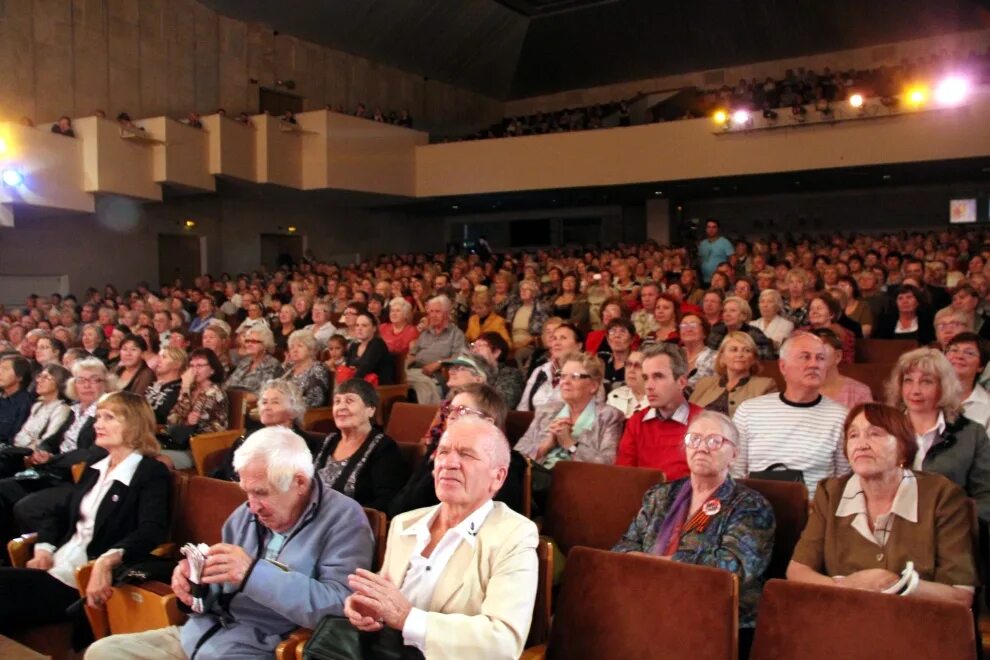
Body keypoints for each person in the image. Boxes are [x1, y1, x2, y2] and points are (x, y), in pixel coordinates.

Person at [85, 427, 375, 659]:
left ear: (299, 482)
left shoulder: (344, 519)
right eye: (246, 492)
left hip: (263, 645)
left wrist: (252, 574)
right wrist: (194, 585)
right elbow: (219, 589)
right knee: (104, 652)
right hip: (200, 635)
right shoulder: (244, 515)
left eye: (261, 493)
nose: (252, 506)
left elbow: (340, 604)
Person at [343, 417, 538, 660]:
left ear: (497, 477)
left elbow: (503, 642)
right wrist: (368, 608)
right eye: (443, 451)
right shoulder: (405, 524)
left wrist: (409, 619)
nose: (449, 462)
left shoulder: (513, 535)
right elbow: (387, 599)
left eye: (466, 454)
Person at [0, 392, 169, 644]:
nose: (97, 424)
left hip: (79, 583)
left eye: (108, 417)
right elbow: (59, 513)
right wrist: (44, 548)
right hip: (54, 568)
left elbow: (151, 531)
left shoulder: (150, 473)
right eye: (97, 417)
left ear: (134, 424)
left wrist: (106, 561)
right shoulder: (96, 466)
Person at [614, 411, 775, 651]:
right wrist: (648, 566)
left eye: (714, 441)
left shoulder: (749, 505)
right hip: (648, 602)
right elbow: (623, 547)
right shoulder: (660, 496)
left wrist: (654, 566)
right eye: (694, 439)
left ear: (734, 454)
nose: (702, 448)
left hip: (715, 616)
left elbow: (731, 569)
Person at [787, 403, 975, 606]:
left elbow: (960, 595)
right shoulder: (831, 493)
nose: (861, 444)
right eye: (853, 435)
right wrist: (844, 588)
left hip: (917, 624)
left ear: (904, 448)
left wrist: (898, 584)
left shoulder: (942, 496)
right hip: (844, 620)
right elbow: (798, 570)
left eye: (874, 434)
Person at [731, 332, 850, 496]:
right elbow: (735, 473)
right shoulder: (749, 411)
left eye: (821, 358)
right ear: (783, 366)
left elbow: (843, 480)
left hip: (813, 511)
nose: (814, 364)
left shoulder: (841, 416)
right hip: (754, 509)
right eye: (805, 357)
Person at [885, 346, 990, 521]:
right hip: (891, 529)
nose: (915, 390)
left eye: (926, 382)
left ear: (944, 387)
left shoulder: (972, 434)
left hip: (950, 530)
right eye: (908, 381)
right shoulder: (883, 429)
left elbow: (986, 497)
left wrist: (953, 518)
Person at [516, 350, 624, 467]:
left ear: (593, 386)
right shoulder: (546, 411)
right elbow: (516, 458)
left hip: (579, 482)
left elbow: (608, 463)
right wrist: (545, 446)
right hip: (538, 480)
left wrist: (571, 445)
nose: (565, 382)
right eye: (562, 376)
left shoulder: (609, 416)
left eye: (574, 377)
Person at [313, 379, 409, 511]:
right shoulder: (329, 441)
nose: (341, 407)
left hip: (351, 525)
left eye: (349, 401)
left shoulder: (384, 449)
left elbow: (386, 503)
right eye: (337, 401)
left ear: (370, 410)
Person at [616, 343, 702, 478]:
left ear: (681, 382)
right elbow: (624, 478)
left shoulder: (704, 422)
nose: (649, 386)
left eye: (658, 376)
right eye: (645, 378)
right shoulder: (636, 422)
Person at [163, 348, 228, 470]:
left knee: (158, 461)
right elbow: (172, 419)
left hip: (203, 448)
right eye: (192, 366)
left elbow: (195, 425)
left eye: (199, 366)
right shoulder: (190, 389)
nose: (194, 370)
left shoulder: (214, 392)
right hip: (181, 443)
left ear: (212, 369)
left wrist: (185, 387)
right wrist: (186, 389)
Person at [690, 332, 778, 417]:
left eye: (747, 350)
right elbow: (689, 415)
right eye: (734, 350)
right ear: (722, 357)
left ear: (753, 359)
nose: (739, 354)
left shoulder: (765, 385)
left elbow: (766, 422)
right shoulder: (704, 383)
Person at [406, 296, 466, 405]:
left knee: (421, 388)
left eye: (437, 311)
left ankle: (426, 416)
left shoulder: (456, 334)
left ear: (447, 313)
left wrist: (439, 363)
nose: (433, 315)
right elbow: (412, 354)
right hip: (415, 371)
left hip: (435, 374)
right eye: (431, 311)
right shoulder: (425, 333)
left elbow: (460, 357)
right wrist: (404, 366)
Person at [517, 322, 585, 412]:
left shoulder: (587, 372)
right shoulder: (539, 371)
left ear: (579, 346)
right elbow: (523, 408)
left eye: (563, 338)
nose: (556, 343)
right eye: (554, 338)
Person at [10, 363, 71, 453]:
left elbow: (47, 440)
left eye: (46, 377)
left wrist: (29, 444)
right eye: (39, 376)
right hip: (18, 448)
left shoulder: (61, 409)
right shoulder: (37, 406)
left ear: (59, 383)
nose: (39, 381)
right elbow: (21, 434)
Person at [811, 328, 872, 409]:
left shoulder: (859, 392)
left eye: (821, 349)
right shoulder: (800, 390)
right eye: (808, 354)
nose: (814, 357)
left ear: (838, 356)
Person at [705, 297, 777, 361]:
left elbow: (766, 361)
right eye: (725, 311)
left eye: (732, 310)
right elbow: (707, 356)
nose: (727, 314)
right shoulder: (717, 330)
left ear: (744, 316)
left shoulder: (755, 334)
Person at [944, 332, 990, 428]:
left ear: (981, 366)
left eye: (969, 353)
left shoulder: (987, 405)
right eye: (954, 350)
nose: (959, 356)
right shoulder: (926, 394)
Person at [470, 332, 525, 409]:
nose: (474, 351)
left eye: (480, 346)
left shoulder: (510, 374)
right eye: (473, 346)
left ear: (496, 352)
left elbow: (502, 403)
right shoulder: (469, 374)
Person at [225, 325, 284, 395]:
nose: (249, 344)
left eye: (254, 341)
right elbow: (228, 385)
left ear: (265, 344)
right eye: (247, 341)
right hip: (235, 401)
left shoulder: (272, 364)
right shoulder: (245, 361)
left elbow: (263, 393)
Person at [281, 329, 332, 407]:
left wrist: (286, 404)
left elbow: (315, 400)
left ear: (310, 349)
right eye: (292, 347)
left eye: (300, 346)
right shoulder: (289, 369)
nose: (295, 350)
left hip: (306, 414)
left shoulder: (317, 369)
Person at [345, 311, 395, 385]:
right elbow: (347, 369)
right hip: (358, 386)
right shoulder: (353, 346)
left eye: (364, 325)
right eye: (357, 325)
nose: (359, 328)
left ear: (374, 328)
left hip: (379, 390)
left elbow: (364, 368)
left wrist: (348, 385)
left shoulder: (377, 344)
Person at [803, 293, 855, 364]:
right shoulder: (801, 333)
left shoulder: (845, 335)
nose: (814, 312)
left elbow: (847, 362)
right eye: (811, 309)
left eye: (819, 308)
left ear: (831, 314)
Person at [505, 280, 548, 364]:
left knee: (519, 354)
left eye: (527, 289)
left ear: (534, 293)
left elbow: (544, 332)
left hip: (531, 345)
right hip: (513, 344)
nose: (523, 291)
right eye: (521, 289)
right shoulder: (514, 308)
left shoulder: (540, 310)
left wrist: (524, 343)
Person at [144, 346, 184, 426]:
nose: (159, 360)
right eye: (159, 356)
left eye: (164, 357)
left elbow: (162, 417)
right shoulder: (153, 384)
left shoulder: (178, 390)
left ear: (177, 364)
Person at [0, 354, 34, 445]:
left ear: (20, 377)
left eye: (5, 369)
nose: (0, 372)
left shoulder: (25, 403)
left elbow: (14, 438)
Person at [607, 349, 649, 417]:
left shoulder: (657, 400)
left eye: (637, 365)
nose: (631, 370)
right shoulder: (614, 395)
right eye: (628, 364)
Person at [599, 318, 635, 391]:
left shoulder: (635, 364)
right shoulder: (600, 360)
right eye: (613, 331)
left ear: (632, 339)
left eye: (623, 331)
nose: (617, 336)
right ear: (608, 340)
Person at [698, 219, 735, 285]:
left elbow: (733, 258)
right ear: (706, 229)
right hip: (705, 279)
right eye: (709, 227)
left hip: (720, 280)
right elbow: (700, 260)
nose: (711, 229)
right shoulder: (702, 244)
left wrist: (729, 274)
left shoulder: (725, 242)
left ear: (718, 229)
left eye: (714, 227)